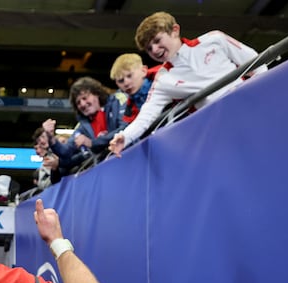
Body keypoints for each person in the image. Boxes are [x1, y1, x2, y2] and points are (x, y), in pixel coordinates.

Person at [108, 11, 267, 155]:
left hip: (254, 113)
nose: (155, 50)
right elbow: (146, 115)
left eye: (157, 40)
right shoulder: (163, 80)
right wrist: (125, 137)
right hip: (221, 133)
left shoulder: (214, 39)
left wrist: (259, 99)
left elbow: (258, 64)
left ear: (175, 30)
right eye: (149, 48)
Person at [43, 76, 127, 174]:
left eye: (85, 98)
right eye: (78, 102)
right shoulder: (82, 127)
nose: (82, 104)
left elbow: (124, 128)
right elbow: (66, 152)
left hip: (127, 160)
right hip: (107, 171)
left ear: (96, 93)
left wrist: (92, 143)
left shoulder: (117, 102)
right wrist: (51, 138)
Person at [109, 53, 160, 125]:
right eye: (121, 81)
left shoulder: (165, 82)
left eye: (129, 76)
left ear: (144, 71)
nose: (126, 83)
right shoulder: (131, 108)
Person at [31, 126, 61, 192]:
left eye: (43, 137)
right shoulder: (45, 163)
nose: (41, 141)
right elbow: (43, 186)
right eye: (39, 140)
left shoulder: (61, 149)